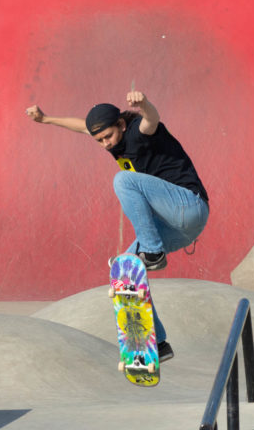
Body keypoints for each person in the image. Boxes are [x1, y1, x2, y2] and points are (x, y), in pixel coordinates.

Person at [26, 90, 209, 362]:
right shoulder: (111, 137)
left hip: (190, 206)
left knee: (124, 180)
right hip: (179, 229)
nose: (105, 145)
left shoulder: (138, 130)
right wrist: (46, 119)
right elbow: (82, 126)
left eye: (108, 137)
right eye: (99, 140)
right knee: (124, 271)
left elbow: (152, 119)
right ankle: (156, 343)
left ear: (121, 125)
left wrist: (144, 103)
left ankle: (152, 251)